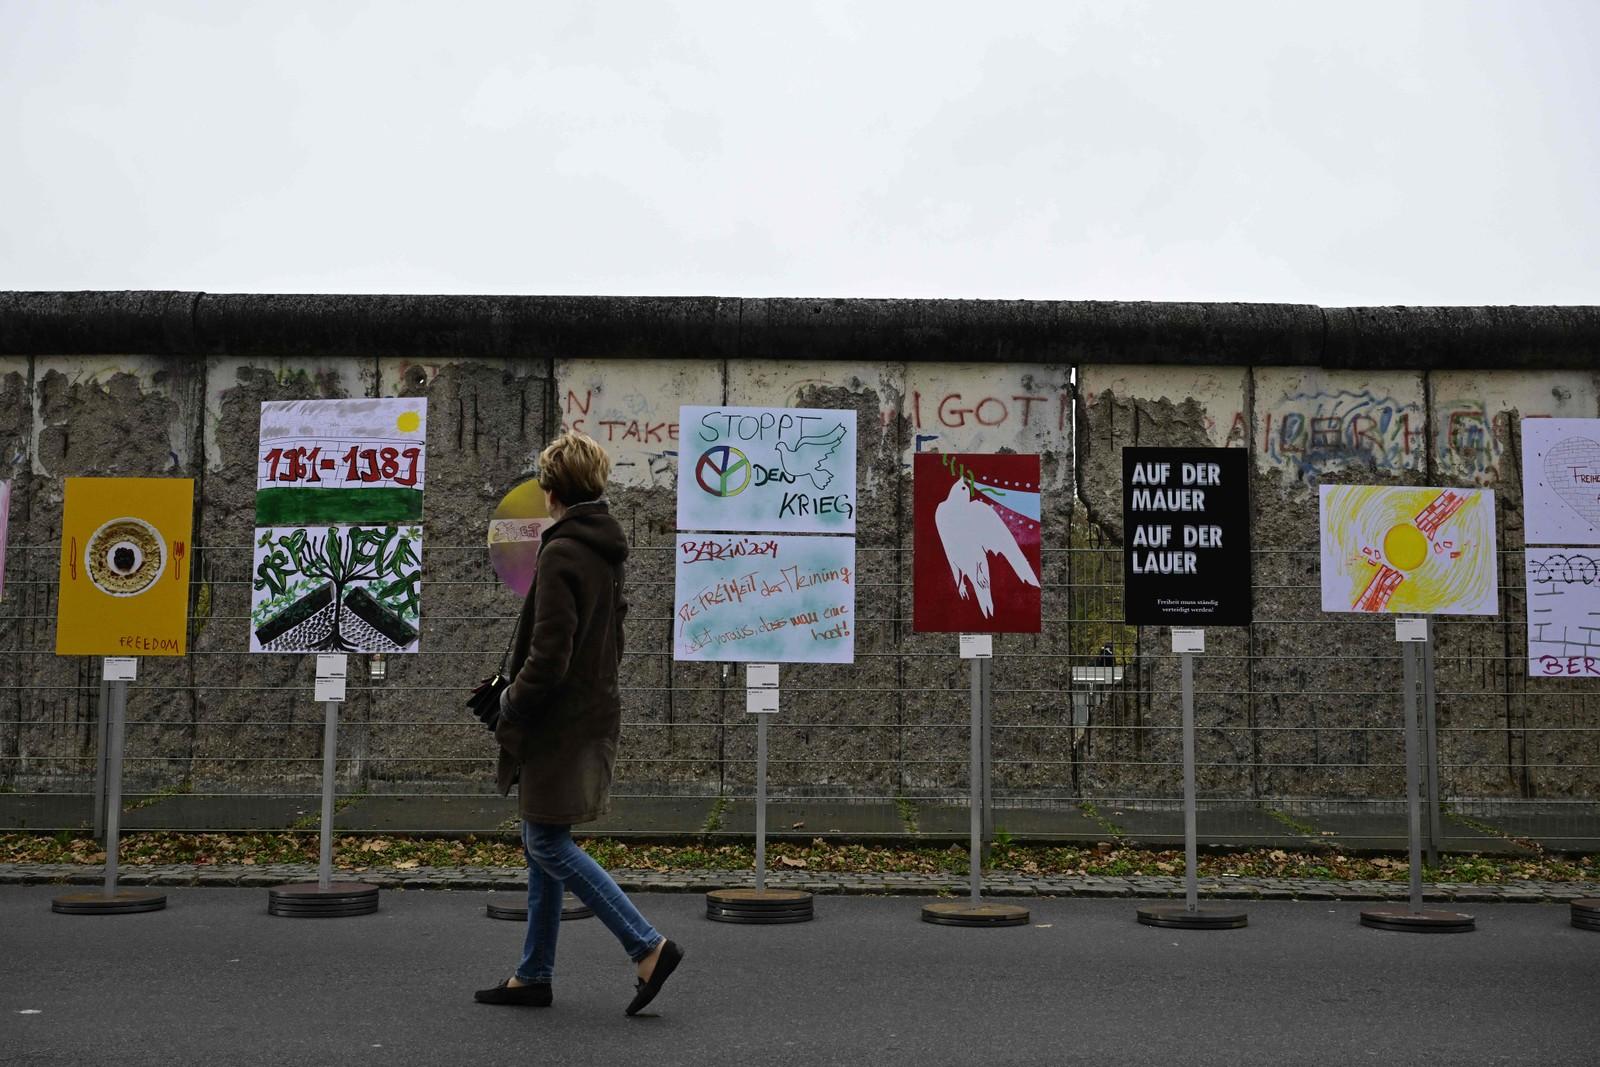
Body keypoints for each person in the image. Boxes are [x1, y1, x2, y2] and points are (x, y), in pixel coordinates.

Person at [476, 430, 684, 1015]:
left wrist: (512, 702)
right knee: (541, 836)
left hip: (558, 723)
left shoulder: (562, 550)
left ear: (551, 490)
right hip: (590, 712)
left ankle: (647, 945)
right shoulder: (604, 547)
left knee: (544, 838)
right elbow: (611, 639)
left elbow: (549, 654)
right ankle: (533, 974)